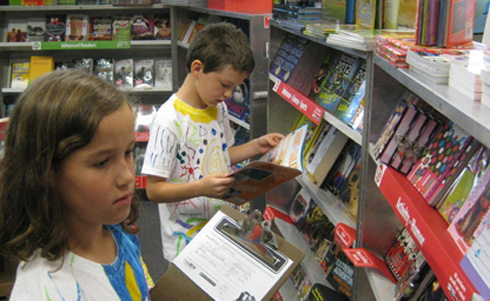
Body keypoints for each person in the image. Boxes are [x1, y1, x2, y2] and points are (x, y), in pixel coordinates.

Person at [0, 69, 154, 300]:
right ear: (45, 172)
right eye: (102, 162)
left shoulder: (117, 229)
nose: (127, 177)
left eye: (128, 152)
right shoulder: (45, 290)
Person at [141, 22, 284, 262]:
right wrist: (200, 188)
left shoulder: (218, 109)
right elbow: (153, 190)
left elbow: (222, 154)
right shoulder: (168, 121)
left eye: (235, 87)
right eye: (225, 85)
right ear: (198, 68)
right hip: (184, 243)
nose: (229, 94)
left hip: (221, 229)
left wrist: (257, 146)